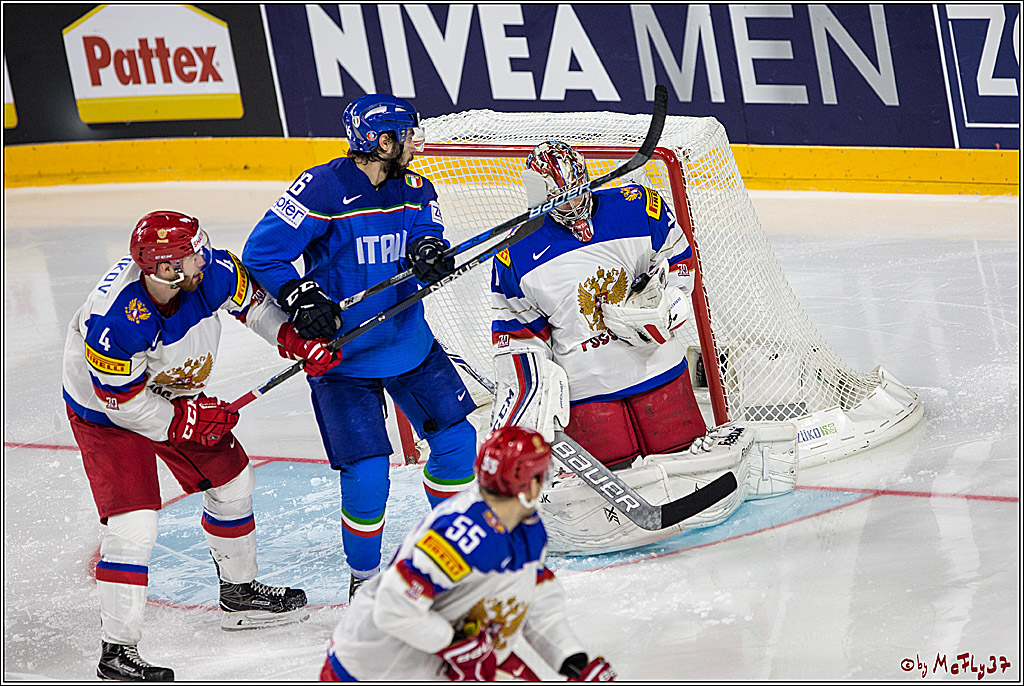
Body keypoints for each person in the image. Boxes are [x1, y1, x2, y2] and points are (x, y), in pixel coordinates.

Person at [62, 210, 343, 681]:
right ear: (164, 269)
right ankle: (117, 652)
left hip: (171, 392)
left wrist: (294, 339)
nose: (202, 258)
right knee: (134, 526)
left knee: (233, 482)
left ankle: (239, 594)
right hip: (106, 410)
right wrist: (183, 421)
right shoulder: (116, 321)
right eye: (189, 255)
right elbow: (122, 404)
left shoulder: (212, 272)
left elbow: (253, 307)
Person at [489, 141, 798, 554]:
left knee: (687, 461)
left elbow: (681, 259)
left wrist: (668, 300)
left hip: (658, 366)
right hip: (588, 388)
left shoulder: (638, 204)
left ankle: (700, 540)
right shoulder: (514, 251)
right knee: (611, 479)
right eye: (562, 198)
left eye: (579, 190)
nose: (575, 205)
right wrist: (535, 381)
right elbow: (517, 331)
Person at [242, 94, 478, 600]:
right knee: (368, 475)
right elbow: (262, 253)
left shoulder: (414, 186)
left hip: (409, 343)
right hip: (342, 356)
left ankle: (448, 559)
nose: (415, 144)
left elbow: (426, 229)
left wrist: (428, 249)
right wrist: (301, 294)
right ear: (383, 141)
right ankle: (366, 582)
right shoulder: (321, 188)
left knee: (459, 445)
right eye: (407, 135)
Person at [318, 426, 617, 682]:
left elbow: (530, 600)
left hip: (436, 660)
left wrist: (572, 660)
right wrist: (455, 643)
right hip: (371, 668)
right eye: (541, 473)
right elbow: (394, 606)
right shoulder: (459, 534)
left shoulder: (527, 528)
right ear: (526, 484)